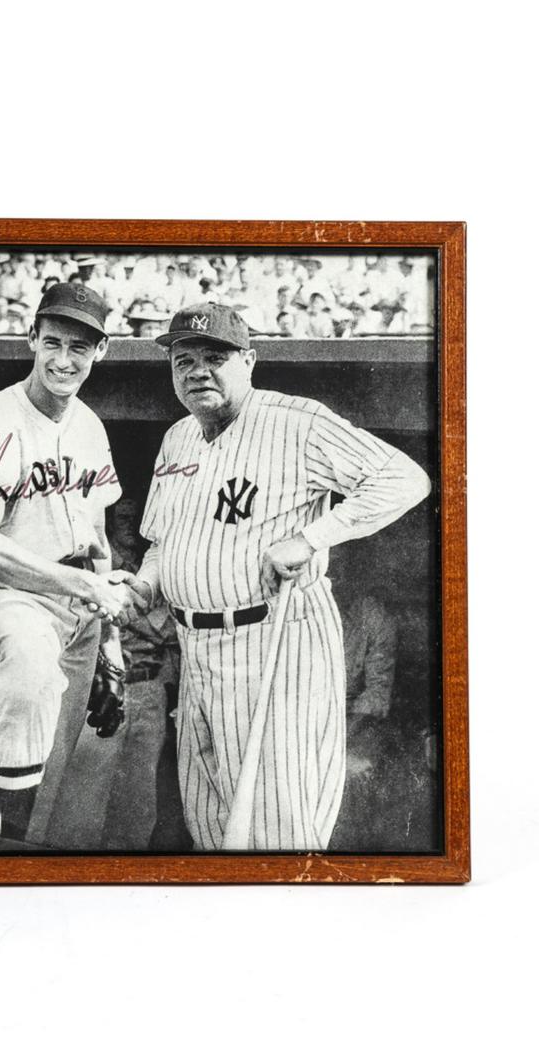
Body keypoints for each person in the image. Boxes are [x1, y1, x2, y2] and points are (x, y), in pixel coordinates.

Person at [107, 302, 430, 851]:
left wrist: (311, 538)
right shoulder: (178, 438)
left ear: (249, 361)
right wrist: (143, 583)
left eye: (215, 357)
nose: (197, 371)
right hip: (196, 647)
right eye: (184, 361)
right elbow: (163, 540)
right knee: (209, 814)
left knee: (276, 821)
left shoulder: (297, 421)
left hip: (275, 639)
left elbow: (405, 477)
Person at [0, 282, 140, 840]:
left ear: (101, 351)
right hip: (8, 593)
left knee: (50, 766)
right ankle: (0, 858)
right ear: (31, 339)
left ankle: (14, 853)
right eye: (53, 343)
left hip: (78, 607)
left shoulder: (90, 427)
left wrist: (112, 649)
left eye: (80, 347)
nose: (64, 359)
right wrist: (81, 585)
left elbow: (97, 539)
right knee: (25, 667)